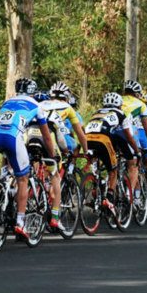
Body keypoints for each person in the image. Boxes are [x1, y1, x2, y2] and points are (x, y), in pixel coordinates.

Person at [0, 78, 55, 241]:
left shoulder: (7, 102)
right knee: (23, 179)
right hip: (12, 139)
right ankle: (20, 222)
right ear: (33, 91)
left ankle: (6, 187)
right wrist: (52, 157)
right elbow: (47, 137)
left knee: (11, 166)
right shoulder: (36, 105)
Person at [35, 81, 90, 231]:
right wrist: (87, 152)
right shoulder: (69, 108)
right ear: (67, 97)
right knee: (56, 176)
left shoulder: (41, 104)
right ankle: (55, 215)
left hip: (31, 136)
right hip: (54, 139)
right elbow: (81, 134)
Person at [83, 92, 139, 214]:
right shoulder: (121, 114)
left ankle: (97, 186)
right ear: (119, 105)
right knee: (113, 171)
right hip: (103, 140)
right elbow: (128, 137)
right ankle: (109, 198)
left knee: (95, 164)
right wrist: (136, 151)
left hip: (87, 139)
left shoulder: (96, 112)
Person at [120, 80, 147, 203]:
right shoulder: (141, 104)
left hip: (112, 133)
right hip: (131, 134)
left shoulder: (119, 100)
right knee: (134, 164)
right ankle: (132, 195)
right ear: (137, 93)